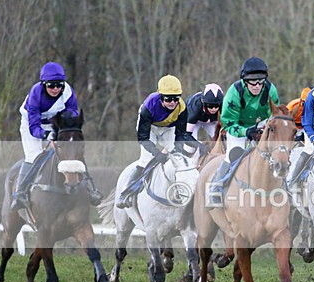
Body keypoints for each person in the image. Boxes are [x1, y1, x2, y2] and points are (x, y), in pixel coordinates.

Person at [11, 61, 103, 211]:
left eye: (59, 85)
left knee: (72, 152)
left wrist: (65, 126)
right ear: (43, 84)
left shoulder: (68, 92)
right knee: (34, 155)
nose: (55, 89)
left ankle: (91, 189)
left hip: (55, 123)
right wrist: (46, 134)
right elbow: (34, 127)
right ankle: (20, 193)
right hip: (32, 124)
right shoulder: (36, 94)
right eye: (51, 85)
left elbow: (73, 112)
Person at [116, 74, 201, 209]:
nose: (172, 102)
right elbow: (143, 138)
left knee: (179, 158)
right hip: (150, 129)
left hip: (168, 129)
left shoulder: (182, 108)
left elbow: (180, 134)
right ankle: (125, 193)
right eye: (168, 99)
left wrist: (177, 150)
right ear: (161, 97)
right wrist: (157, 153)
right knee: (145, 160)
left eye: (176, 98)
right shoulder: (149, 107)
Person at [207, 57, 280, 206]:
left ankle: (284, 187)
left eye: (260, 81)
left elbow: (274, 115)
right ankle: (216, 188)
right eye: (252, 82)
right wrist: (246, 132)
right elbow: (228, 123)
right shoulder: (234, 93)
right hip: (238, 127)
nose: (257, 86)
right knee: (234, 155)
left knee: (275, 153)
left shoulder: (270, 90)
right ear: (245, 81)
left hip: (261, 124)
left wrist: (265, 130)